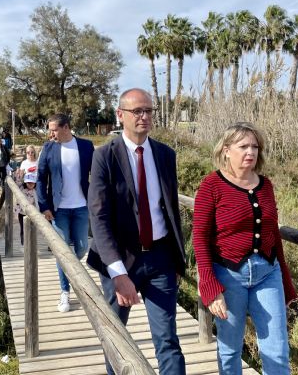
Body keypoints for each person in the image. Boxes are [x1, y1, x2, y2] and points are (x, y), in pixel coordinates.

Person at [87, 88, 186, 375]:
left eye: (149, 111)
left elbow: (169, 210)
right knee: (116, 339)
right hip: (120, 259)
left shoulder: (166, 155)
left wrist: (176, 260)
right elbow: (99, 216)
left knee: (168, 339)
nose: (144, 116)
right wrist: (118, 273)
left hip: (160, 259)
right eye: (137, 111)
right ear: (120, 115)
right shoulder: (105, 157)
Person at [193, 122, 297, 375]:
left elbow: (273, 235)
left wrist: (285, 280)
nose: (251, 152)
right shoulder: (212, 185)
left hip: (267, 274)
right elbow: (200, 237)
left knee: (277, 349)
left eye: (255, 147)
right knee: (230, 349)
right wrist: (210, 286)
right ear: (226, 150)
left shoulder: (266, 185)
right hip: (229, 276)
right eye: (244, 146)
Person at [37, 113, 94, 313]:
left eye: (54, 129)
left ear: (66, 127)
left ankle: (69, 275)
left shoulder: (86, 146)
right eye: (50, 129)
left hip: (81, 207)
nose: (50, 133)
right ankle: (65, 291)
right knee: (63, 252)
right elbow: (41, 179)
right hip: (58, 210)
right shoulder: (48, 148)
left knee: (80, 249)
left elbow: (95, 175)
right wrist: (44, 206)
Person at [15, 172, 38, 245]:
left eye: (32, 183)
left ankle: (30, 242)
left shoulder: (35, 192)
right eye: (28, 183)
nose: (30, 184)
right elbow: (17, 185)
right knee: (23, 228)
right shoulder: (22, 189)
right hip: (22, 213)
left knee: (31, 228)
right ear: (25, 183)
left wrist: (38, 212)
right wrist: (19, 177)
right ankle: (24, 242)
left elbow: (36, 203)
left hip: (31, 213)